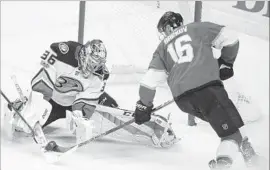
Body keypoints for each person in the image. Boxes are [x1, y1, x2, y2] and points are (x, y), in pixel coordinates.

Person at [133, 11, 258, 169]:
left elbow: (148, 82)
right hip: (208, 90)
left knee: (230, 118)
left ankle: (250, 156)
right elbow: (231, 37)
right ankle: (222, 164)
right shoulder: (197, 28)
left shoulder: (162, 48)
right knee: (230, 134)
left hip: (184, 101)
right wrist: (226, 62)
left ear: (167, 28)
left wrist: (144, 106)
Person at [4, 39, 177, 149]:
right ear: (84, 54)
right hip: (51, 99)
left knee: (110, 111)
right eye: (92, 61)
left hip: (73, 101)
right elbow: (40, 81)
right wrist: (36, 108)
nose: (94, 67)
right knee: (24, 127)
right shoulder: (62, 52)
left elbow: (82, 104)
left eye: (98, 63)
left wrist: (81, 119)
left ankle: (156, 129)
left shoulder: (100, 75)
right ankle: (21, 105)